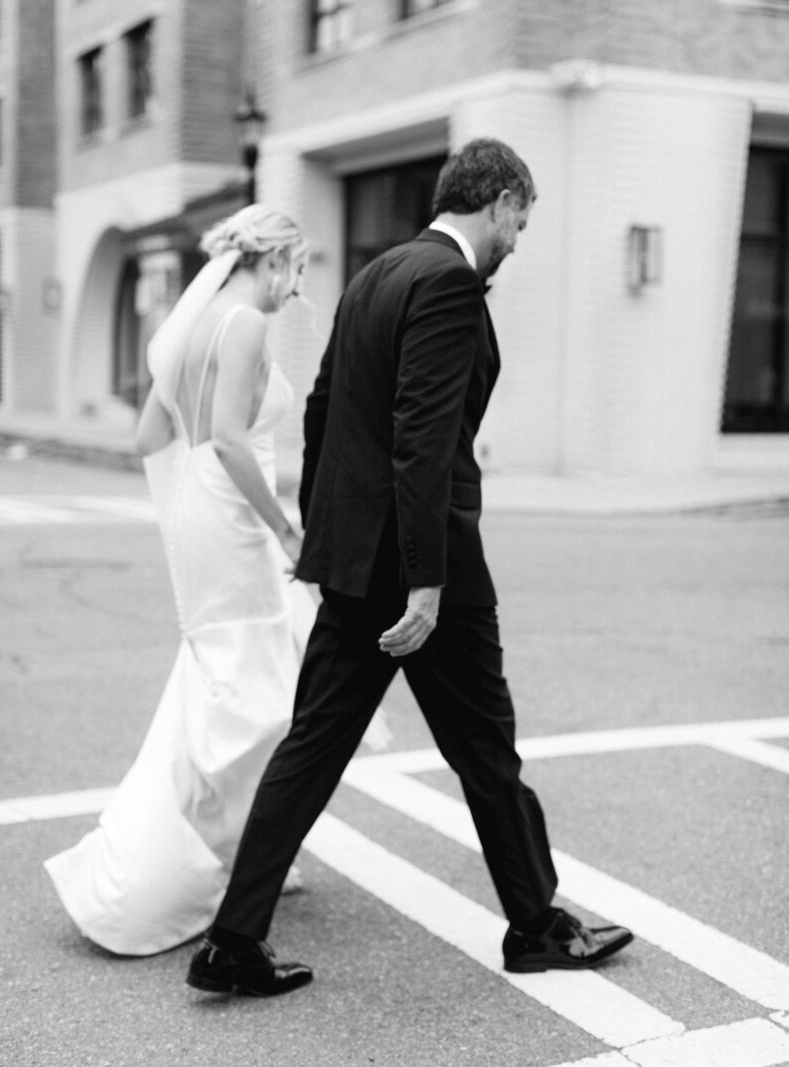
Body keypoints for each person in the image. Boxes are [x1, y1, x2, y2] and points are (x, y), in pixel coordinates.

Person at [186, 139, 634, 997]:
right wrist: (426, 580)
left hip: (360, 560)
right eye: (522, 218)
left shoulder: (374, 275)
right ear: (499, 200)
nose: (520, 236)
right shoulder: (449, 283)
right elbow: (421, 436)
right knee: (485, 745)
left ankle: (232, 942)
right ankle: (537, 924)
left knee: (312, 747)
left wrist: (326, 542)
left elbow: (324, 410)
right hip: (426, 569)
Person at [45, 205, 319, 955]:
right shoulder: (247, 325)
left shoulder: (189, 327)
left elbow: (146, 438)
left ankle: (236, 850)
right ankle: (212, 858)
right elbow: (232, 441)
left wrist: (191, 442)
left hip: (197, 515)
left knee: (226, 678)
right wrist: (286, 527)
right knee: (256, 691)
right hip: (232, 518)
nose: (296, 290)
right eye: (297, 272)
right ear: (274, 260)